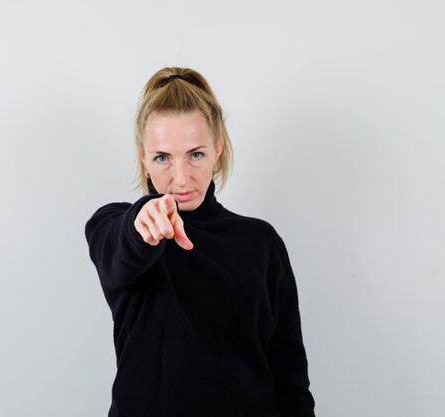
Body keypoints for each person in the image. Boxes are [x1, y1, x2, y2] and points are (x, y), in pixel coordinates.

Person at [85, 67, 315, 417]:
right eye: (162, 158)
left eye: (195, 155)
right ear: (143, 156)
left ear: (217, 148)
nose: (180, 178)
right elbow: (117, 251)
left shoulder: (261, 243)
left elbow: (290, 381)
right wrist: (142, 221)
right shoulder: (117, 225)